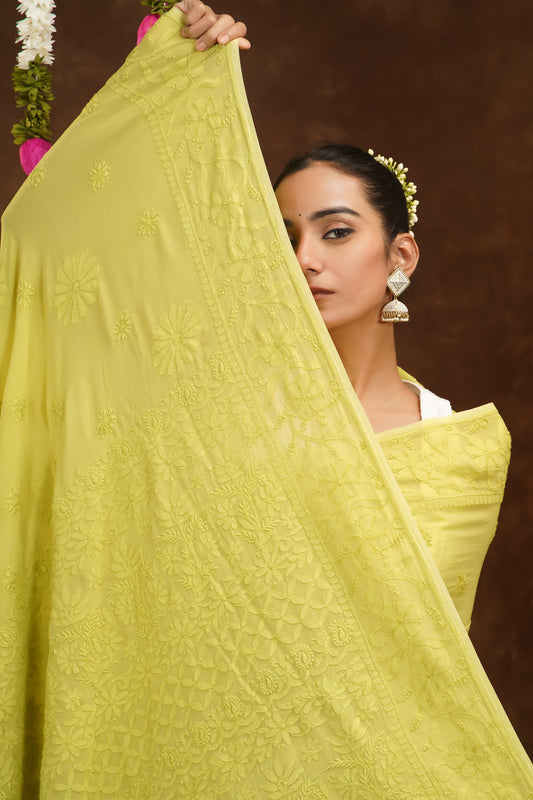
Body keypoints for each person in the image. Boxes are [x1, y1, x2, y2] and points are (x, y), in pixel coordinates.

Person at [0, 3, 531, 797]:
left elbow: (407, 666)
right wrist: (171, 74)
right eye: (282, 237)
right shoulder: (225, 414)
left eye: (336, 232)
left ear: (401, 253)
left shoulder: (455, 446)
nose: (305, 260)